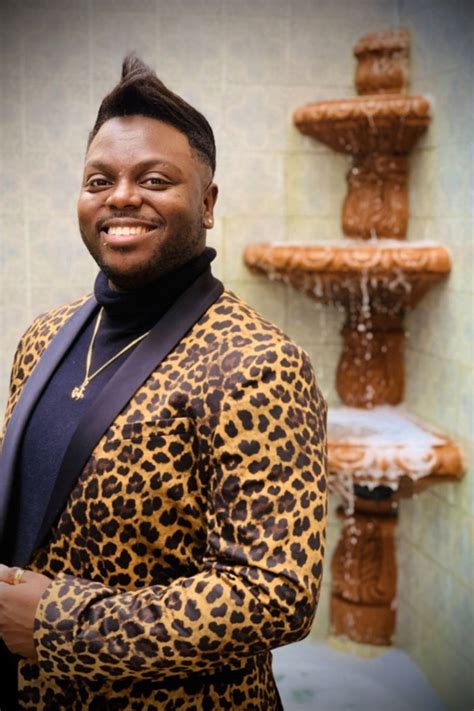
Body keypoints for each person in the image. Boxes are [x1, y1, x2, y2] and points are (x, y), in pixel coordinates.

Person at [0, 55, 327, 710]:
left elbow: (276, 593)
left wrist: (59, 625)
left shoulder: (257, 362)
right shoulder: (43, 335)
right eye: (100, 180)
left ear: (206, 204)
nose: (121, 196)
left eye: (153, 179)